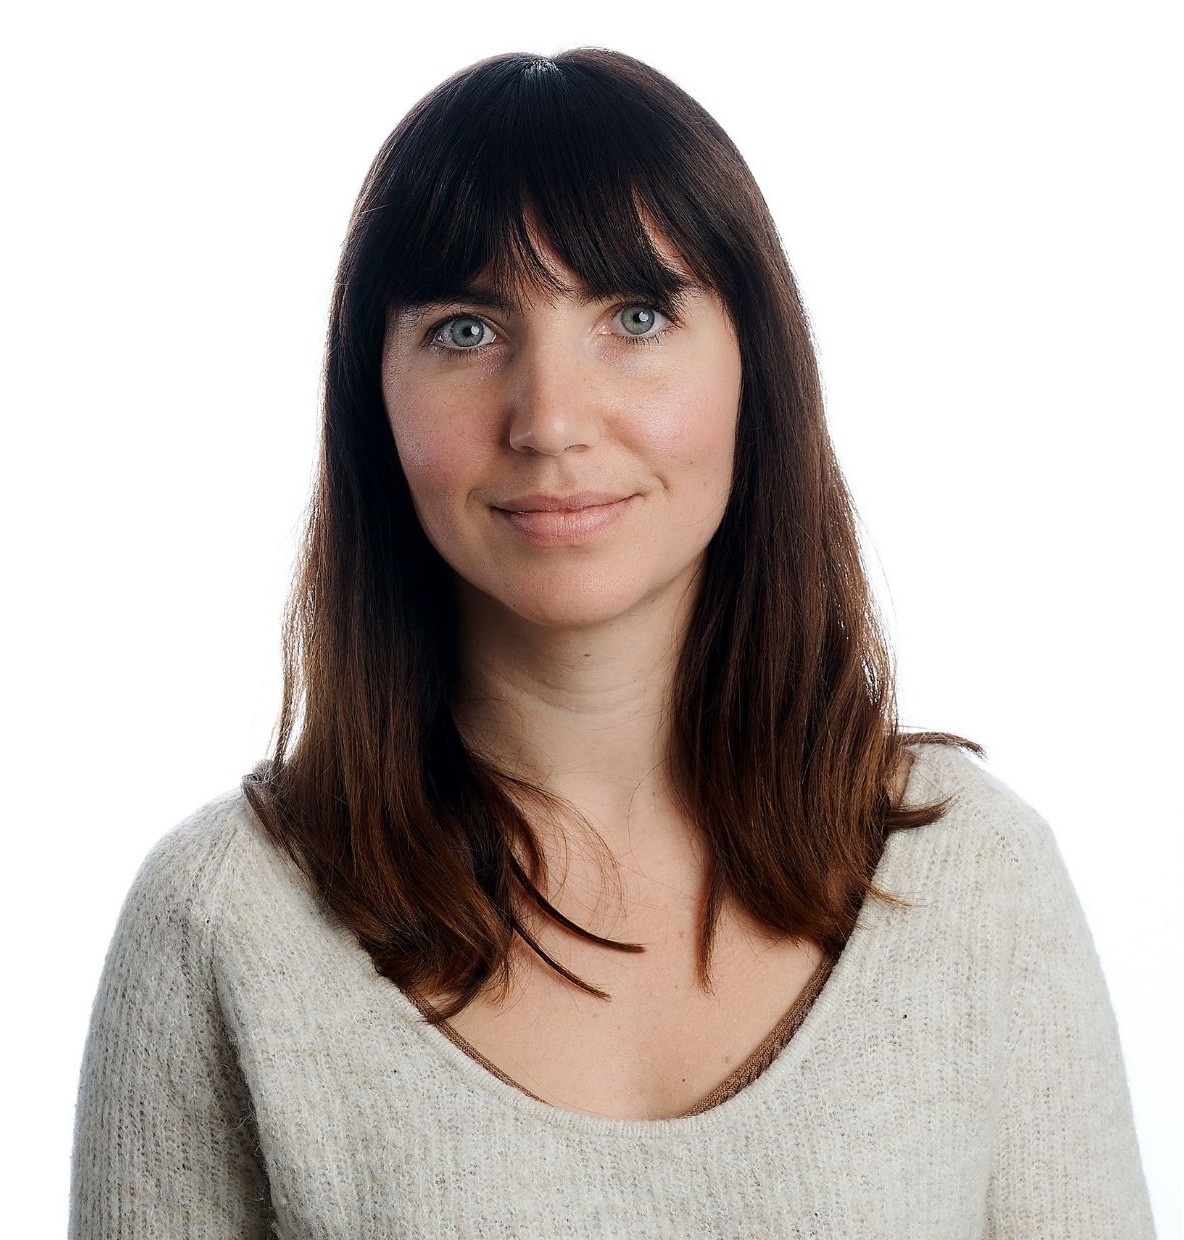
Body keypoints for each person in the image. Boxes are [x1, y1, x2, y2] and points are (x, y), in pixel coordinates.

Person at [68, 48, 1156, 1237]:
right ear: (370, 397)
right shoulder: (224, 924)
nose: (548, 419)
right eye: (465, 328)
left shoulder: (972, 880)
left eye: (633, 317)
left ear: (755, 367)